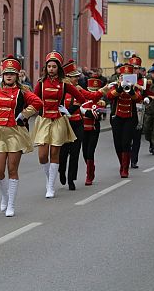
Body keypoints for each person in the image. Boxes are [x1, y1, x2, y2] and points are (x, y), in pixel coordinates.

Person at [0, 55, 42, 216]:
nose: (9, 76)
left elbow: (38, 103)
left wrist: (25, 114)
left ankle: (11, 204)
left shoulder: (22, 92)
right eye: (6, 73)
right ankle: (5, 196)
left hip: (15, 133)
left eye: (12, 73)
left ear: (17, 75)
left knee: (12, 169)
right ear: (2, 75)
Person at [33, 51, 86, 198]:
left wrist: (68, 110)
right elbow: (33, 100)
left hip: (58, 120)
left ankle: (50, 187)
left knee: (54, 153)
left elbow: (81, 98)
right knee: (42, 156)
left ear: (58, 68)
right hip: (43, 119)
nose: (51, 69)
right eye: (49, 66)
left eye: (54, 66)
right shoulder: (40, 83)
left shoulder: (64, 84)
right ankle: (49, 177)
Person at [58, 60, 107, 189]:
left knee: (75, 153)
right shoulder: (60, 89)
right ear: (67, 78)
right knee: (63, 154)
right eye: (74, 77)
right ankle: (61, 171)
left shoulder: (78, 89)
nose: (77, 79)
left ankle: (71, 179)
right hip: (64, 124)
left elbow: (91, 96)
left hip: (77, 124)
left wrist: (103, 91)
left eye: (77, 76)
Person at [106, 63, 142, 178]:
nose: (124, 77)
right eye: (123, 75)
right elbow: (109, 96)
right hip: (117, 117)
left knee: (126, 142)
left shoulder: (135, 86)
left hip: (130, 118)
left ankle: (125, 168)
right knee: (118, 143)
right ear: (120, 76)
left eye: (128, 75)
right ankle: (122, 163)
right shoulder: (115, 85)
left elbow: (138, 98)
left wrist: (131, 90)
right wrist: (120, 87)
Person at [81, 77, 107, 185]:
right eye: (91, 90)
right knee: (84, 153)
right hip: (83, 129)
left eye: (95, 91)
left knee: (90, 152)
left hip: (93, 129)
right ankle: (90, 167)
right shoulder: (82, 99)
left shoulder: (101, 102)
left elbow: (97, 115)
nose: (93, 93)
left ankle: (89, 176)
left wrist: (84, 111)